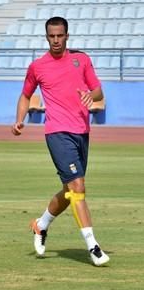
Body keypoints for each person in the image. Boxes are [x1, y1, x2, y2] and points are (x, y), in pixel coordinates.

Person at [11, 16, 109, 267]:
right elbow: (25, 95)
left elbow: (98, 91)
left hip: (81, 131)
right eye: (51, 36)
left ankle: (41, 224)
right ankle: (93, 246)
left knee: (70, 191)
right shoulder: (37, 66)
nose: (56, 40)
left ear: (67, 35)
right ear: (46, 37)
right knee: (78, 188)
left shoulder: (82, 60)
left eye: (60, 35)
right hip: (56, 132)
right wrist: (19, 119)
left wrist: (90, 94)